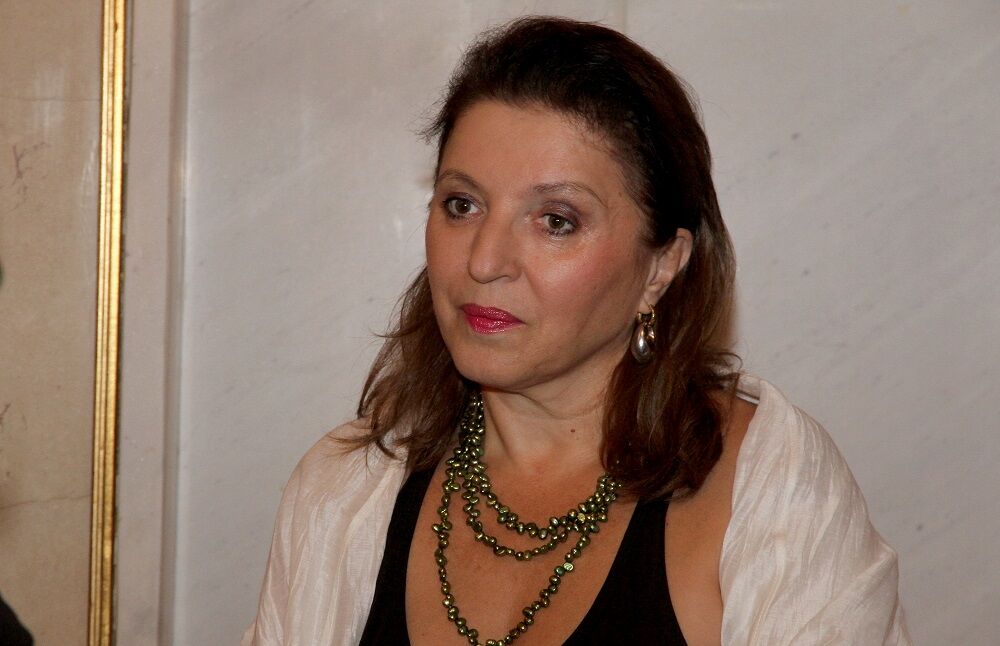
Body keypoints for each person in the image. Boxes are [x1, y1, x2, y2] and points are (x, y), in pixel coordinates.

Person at [243, 16, 909, 646]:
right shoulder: (343, 492)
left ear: (661, 266)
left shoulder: (773, 495)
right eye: (461, 205)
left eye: (556, 221)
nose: (484, 261)